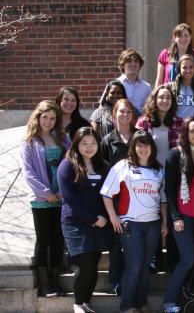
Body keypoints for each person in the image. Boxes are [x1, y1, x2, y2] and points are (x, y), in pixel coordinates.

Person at [101, 131, 168, 313]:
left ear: (152, 148)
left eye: (147, 145)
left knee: (146, 267)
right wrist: (113, 217)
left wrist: (164, 223)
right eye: (139, 145)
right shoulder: (123, 166)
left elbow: (163, 199)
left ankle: (141, 304)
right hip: (131, 225)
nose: (143, 148)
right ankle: (127, 306)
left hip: (153, 225)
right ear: (133, 147)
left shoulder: (159, 170)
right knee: (134, 266)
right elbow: (106, 194)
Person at [57, 127, 112, 313]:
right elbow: (69, 197)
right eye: (84, 143)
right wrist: (92, 219)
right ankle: (78, 303)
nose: (89, 147)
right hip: (75, 223)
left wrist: (104, 216)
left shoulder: (104, 166)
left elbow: (110, 194)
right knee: (84, 264)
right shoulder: (67, 164)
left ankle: (86, 303)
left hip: (99, 221)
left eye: (93, 143)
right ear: (76, 144)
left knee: (94, 264)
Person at [20, 100, 71, 297]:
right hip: (41, 200)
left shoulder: (63, 139)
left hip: (61, 197)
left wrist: (62, 192)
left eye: (52, 118)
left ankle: (55, 280)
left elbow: (71, 164)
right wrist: (47, 193)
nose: (49, 122)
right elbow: (29, 173)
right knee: (44, 239)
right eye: (45, 117)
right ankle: (44, 283)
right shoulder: (29, 142)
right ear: (38, 117)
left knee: (58, 239)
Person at [162, 117, 194, 312]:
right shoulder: (174, 156)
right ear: (185, 133)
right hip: (183, 217)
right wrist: (176, 217)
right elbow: (169, 190)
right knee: (188, 258)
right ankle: (169, 301)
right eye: (192, 131)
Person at [100, 98, 137, 295]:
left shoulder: (140, 137)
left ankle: (132, 279)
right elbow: (103, 171)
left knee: (134, 244)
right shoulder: (107, 141)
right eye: (121, 112)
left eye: (128, 112)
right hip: (115, 199)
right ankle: (115, 280)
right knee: (116, 244)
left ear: (132, 115)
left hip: (138, 199)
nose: (125, 115)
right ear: (114, 115)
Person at [136, 84, 184, 166]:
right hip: (150, 171)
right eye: (161, 97)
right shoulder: (143, 122)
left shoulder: (180, 123)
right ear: (154, 100)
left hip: (173, 170)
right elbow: (135, 148)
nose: (165, 100)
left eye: (168, 97)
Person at [169, 54, 194, 119]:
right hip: (176, 126)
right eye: (184, 67)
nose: (188, 70)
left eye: (191, 67)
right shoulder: (172, 87)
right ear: (179, 69)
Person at [116, 48, 151, 114]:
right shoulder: (115, 84)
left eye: (136, 61)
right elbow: (103, 106)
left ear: (140, 65)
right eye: (129, 61)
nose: (133, 64)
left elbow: (149, 109)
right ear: (123, 65)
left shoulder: (146, 87)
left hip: (140, 123)